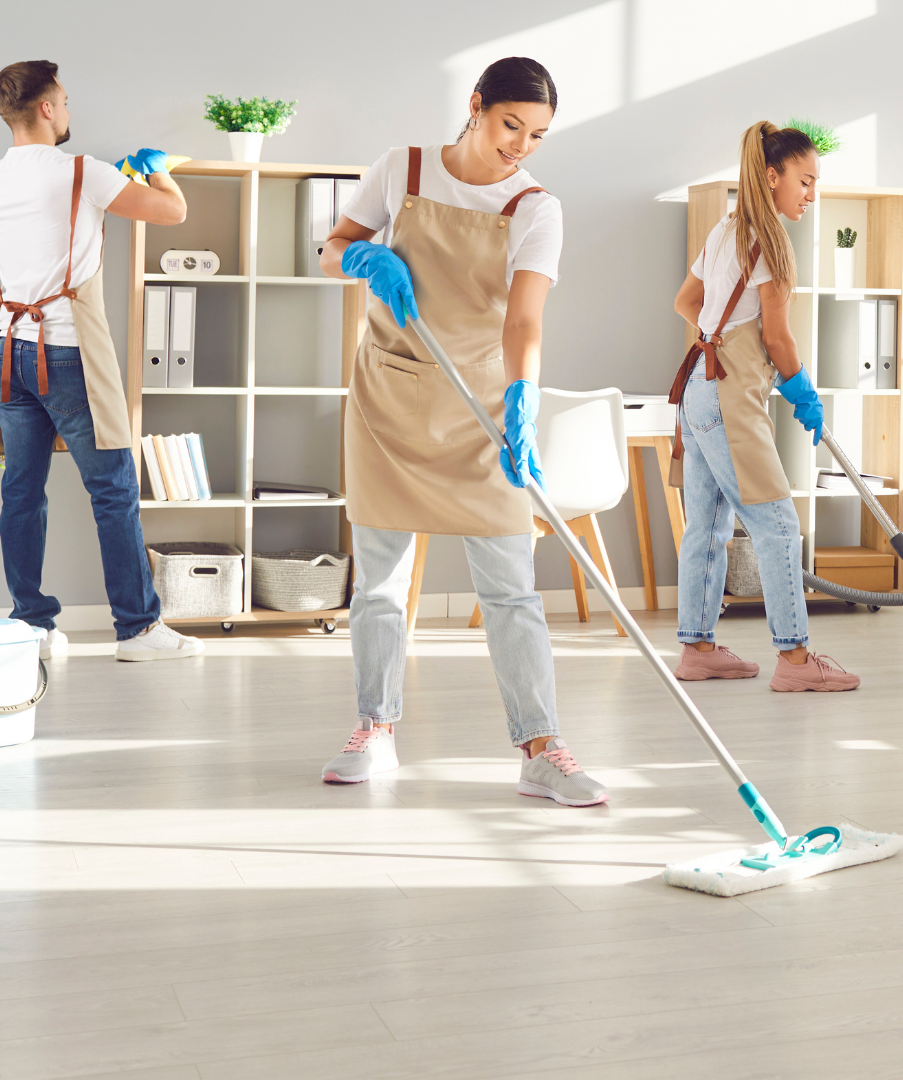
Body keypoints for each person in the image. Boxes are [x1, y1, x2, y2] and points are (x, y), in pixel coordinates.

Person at [315, 56, 607, 806]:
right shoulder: (402, 170)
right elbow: (330, 249)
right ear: (476, 107)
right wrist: (364, 257)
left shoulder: (537, 208)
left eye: (538, 135)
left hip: (480, 408)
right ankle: (374, 730)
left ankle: (542, 748)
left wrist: (522, 399)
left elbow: (524, 318)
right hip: (389, 395)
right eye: (512, 125)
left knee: (511, 588)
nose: (521, 146)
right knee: (379, 584)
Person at [0, 60, 206, 662]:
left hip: (10, 352)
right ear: (47, 108)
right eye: (66, 101)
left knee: (22, 494)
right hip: (68, 350)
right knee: (113, 491)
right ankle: (139, 629)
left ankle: (34, 625)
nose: (69, 111)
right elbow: (171, 213)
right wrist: (159, 173)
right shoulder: (83, 170)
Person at [665, 122, 860, 692]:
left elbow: (686, 301)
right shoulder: (772, 240)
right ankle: (797, 662)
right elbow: (777, 338)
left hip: (699, 388)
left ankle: (698, 648)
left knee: (707, 525)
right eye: (805, 180)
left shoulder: (727, 229)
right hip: (729, 397)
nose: (812, 194)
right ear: (772, 177)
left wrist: (715, 337)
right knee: (777, 524)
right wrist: (801, 388)